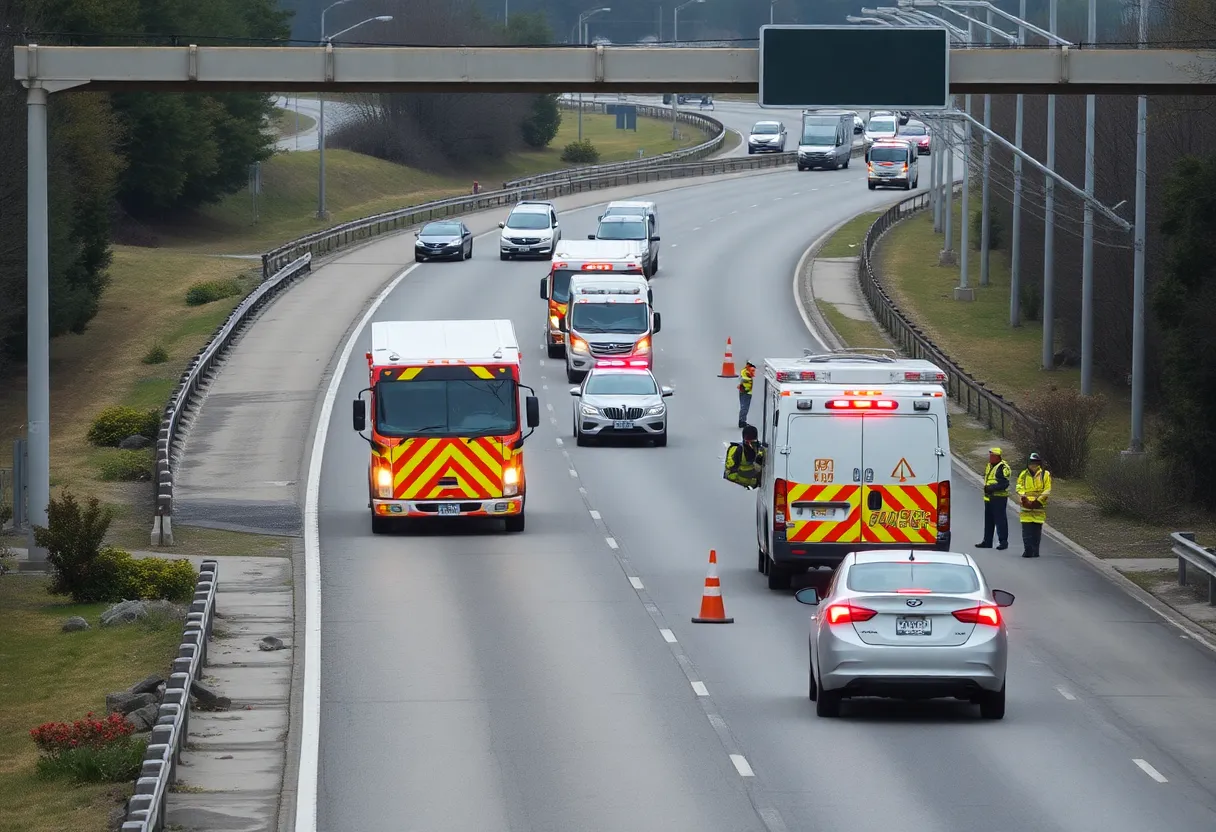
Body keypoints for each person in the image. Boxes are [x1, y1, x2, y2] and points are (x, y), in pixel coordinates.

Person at [1015, 452, 1052, 558]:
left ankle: (1035, 550)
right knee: (1026, 532)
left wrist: (1038, 501)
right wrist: (1024, 498)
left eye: (1035, 463)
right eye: (1031, 463)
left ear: (1039, 464)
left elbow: (1047, 489)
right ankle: (1028, 550)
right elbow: (1019, 487)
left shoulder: (1045, 475)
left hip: (1038, 507)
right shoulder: (1023, 474)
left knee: (1036, 531)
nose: (1033, 465)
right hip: (1026, 507)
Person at [975, 447, 1011, 550]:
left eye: (992, 456)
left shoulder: (1003, 467)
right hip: (989, 498)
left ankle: (1003, 542)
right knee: (989, 521)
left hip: (999, 498)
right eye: (990, 455)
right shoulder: (989, 465)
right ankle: (987, 541)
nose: (990, 458)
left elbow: (1004, 484)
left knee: (1000, 521)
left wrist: (992, 488)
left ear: (997, 457)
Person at [724, 424, 765, 489]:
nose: (751, 442)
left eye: (753, 439)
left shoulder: (760, 449)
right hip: (739, 486)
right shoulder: (736, 450)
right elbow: (729, 473)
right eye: (748, 439)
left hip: (754, 485)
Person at [737, 361, 756, 428]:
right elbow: (749, 377)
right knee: (744, 407)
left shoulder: (744, 371)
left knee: (744, 407)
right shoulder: (747, 372)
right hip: (746, 392)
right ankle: (742, 422)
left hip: (744, 392)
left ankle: (742, 421)